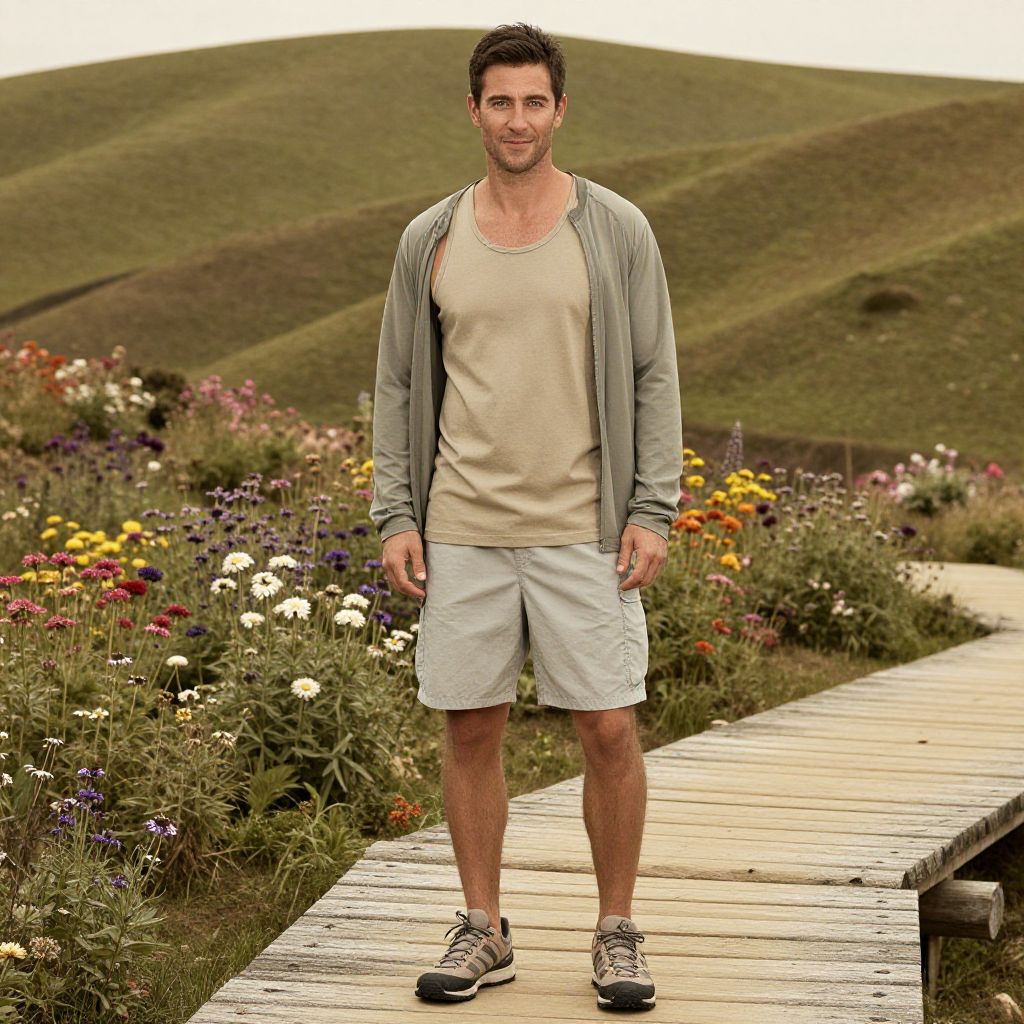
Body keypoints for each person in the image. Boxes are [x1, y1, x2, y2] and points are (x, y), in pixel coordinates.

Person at [369, 21, 682, 1013]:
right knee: (470, 726)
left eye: (533, 100)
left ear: (560, 110)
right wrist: (395, 513)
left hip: (584, 524)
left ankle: (616, 931)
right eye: (498, 101)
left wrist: (653, 507)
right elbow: (396, 386)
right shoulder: (431, 237)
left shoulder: (614, 229)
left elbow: (653, 373)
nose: (516, 118)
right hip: (460, 520)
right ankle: (482, 928)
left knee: (607, 727)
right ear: (473, 112)